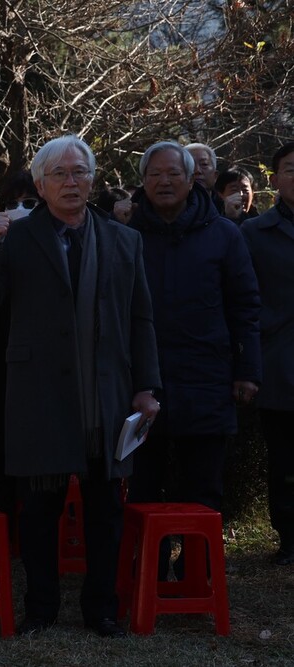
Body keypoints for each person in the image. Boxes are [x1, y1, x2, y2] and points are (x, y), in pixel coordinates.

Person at [0, 135, 161, 638]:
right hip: (39, 393)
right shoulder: (16, 236)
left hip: (108, 395)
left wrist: (147, 388)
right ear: (40, 184)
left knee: (106, 509)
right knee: (37, 511)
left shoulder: (125, 241)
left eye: (80, 172)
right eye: (59, 174)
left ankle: (101, 607)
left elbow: (141, 319)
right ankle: (41, 607)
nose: (71, 182)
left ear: (93, 180)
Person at [126, 141, 261, 578]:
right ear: (143, 181)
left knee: (203, 486)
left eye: (173, 174)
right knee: (143, 486)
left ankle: (198, 576)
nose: (164, 182)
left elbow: (245, 305)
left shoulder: (223, 233)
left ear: (192, 180)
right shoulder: (125, 235)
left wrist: (247, 371)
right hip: (142, 379)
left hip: (208, 376)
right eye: (154, 174)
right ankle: (148, 573)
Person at [240, 142, 294, 565]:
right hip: (279, 360)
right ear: (273, 180)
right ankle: (289, 538)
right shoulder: (254, 233)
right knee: (285, 460)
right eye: (290, 169)